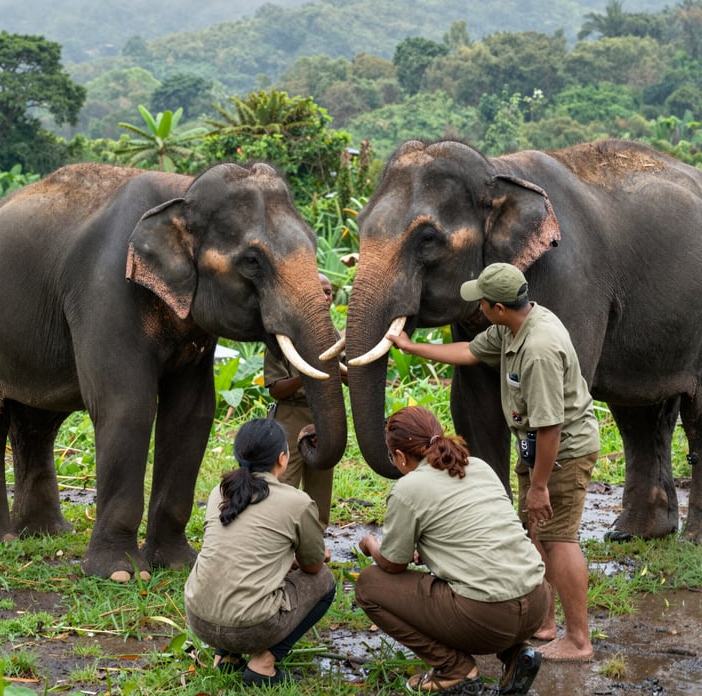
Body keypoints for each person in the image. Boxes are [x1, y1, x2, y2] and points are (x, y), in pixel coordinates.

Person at [387, 263, 599, 663]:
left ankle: (579, 640)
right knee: (536, 531)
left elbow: (551, 427)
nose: (478, 308)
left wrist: (539, 486)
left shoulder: (538, 349)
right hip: (536, 448)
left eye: (482, 302)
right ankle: (545, 622)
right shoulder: (512, 327)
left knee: (559, 538)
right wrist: (412, 348)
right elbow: (469, 351)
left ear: (499, 307)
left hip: (562, 451)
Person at [355, 406, 549, 695]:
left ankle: (453, 669)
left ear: (400, 456)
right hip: (537, 603)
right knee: (484, 587)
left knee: (369, 585)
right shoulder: (478, 465)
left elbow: (393, 564)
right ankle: (516, 653)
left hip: (488, 616)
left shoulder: (408, 487)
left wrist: (371, 544)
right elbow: (480, 533)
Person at [184, 418, 336, 687]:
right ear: (282, 458)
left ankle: (225, 657)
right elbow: (312, 567)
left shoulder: (220, 491)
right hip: (251, 628)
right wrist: (312, 556)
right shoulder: (297, 502)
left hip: (199, 618)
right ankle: (264, 663)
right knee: (324, 580)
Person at [263, 272, 345, 530]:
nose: (325, 297)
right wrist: (307, 374)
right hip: (292, 415)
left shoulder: (332, 333)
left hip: (326, 415)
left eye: (328, 292)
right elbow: (276, 390)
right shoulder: (282, 334)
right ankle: (279, 533)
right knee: (284, 478)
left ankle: (315, 536)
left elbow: (347, 374)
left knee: (321, 479)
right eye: (319, 292)